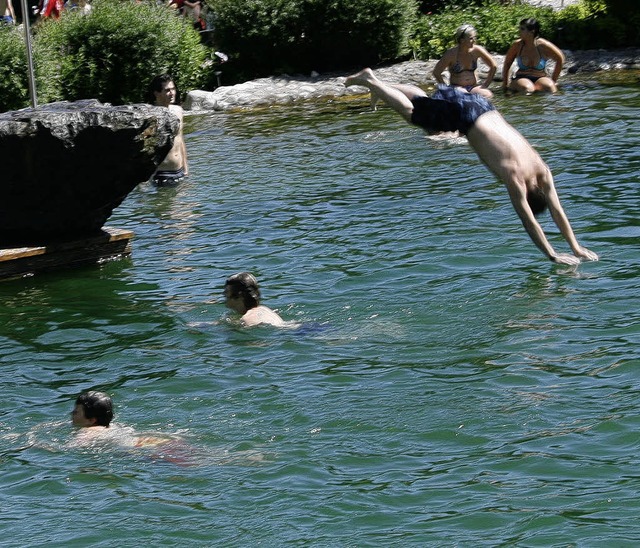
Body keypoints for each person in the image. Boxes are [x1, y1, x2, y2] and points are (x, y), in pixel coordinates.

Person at [344, 68, 598, 265]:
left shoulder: (541, 168)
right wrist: (553, 255)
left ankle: (380, 83)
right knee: (412, 115)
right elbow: (529, 221)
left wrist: (576, 247)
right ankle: (370, 82)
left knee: (424, 102)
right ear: (530, 196)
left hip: (484, 108)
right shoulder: (515, 177)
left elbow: (557, 210)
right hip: (465, 117)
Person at [433, 24, 497, 99]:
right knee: (463, 96)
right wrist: (446, 89)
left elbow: (494, 66)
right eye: (471, 38)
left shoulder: (477, 50)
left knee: (487, 94)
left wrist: (485, 85)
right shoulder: (451, 54)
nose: (474, 41)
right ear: (462, 40)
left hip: (473, 87)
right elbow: (436, 72)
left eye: (475, 38)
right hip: (457, 87)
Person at [502, 18, 565, 94]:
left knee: (550, 87)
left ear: (532, 31)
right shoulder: (517, 45)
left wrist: (554, 80)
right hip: (521, 78)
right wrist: (505, 83)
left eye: (522, 29)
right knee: (528, 89)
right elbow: (507, 63)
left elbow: (560, 59)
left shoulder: (543, 45)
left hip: (540, 77)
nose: (519, 31)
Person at [150, 74, 189, 186]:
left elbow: (180, 140)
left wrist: (186, 169)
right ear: (156, 93)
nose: (172, 93)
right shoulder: (151, 115)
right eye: (167, 90)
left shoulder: (178, 110)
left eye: (173, 89)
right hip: (162, 174)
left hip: (180, 170)